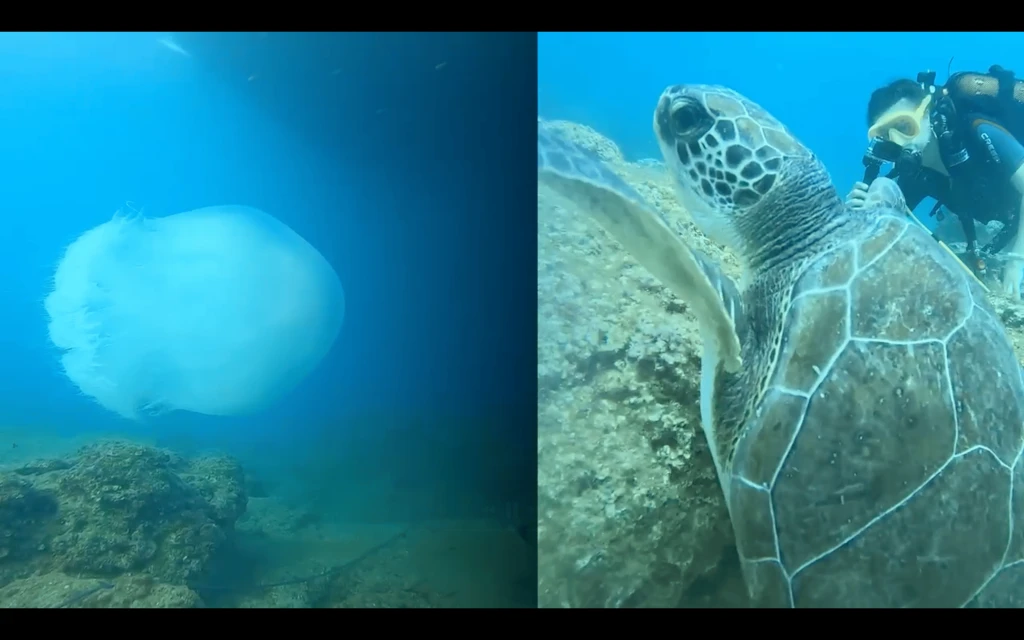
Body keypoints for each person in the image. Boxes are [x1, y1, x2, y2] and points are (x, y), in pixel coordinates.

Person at [850, 66, 1024, 299]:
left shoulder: (976, 130)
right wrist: (855, 218)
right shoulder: (915, 177)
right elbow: (880, 236)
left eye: (904, 126)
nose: (899, 142)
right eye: (886, 135)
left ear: (927, 113)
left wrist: (1016, 262)